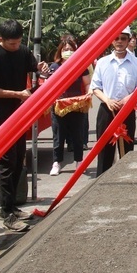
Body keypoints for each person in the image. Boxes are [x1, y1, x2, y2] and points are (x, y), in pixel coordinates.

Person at [0, 19, 48, 232]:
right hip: (2, 119)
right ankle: (6, 213)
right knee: (6, 166)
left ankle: (13, 207)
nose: (16, 46)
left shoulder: (23, 51)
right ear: (0, 39)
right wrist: (16, 94)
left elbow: (35, 68)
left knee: (19, 161)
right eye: (12, 43)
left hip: (20, 116)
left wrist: (41, 67)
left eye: (19, 42)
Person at [91, 26, 137, 175]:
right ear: (111, 41)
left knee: (127, 152)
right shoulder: (102, 62)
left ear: (128, 40)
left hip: (127, 111)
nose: (119, 41)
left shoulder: (136, 63)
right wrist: (107, 100)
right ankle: (102, 182)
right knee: (104, 152)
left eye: (123, 38)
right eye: (116, 38)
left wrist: (128, 99)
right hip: (106, 110)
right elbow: (95, 87)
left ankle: (125, 181)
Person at [48, 35, 91, 176]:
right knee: (58, 135)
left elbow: (87, 83)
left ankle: (79, 161)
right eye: (65, 49)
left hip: (76, 105)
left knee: (77, 135)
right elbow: (49, 86)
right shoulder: (54, 67)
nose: (68, 51)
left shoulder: (81, 66)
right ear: (60, 51)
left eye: (70, 49)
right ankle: (57, 162)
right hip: (59, 105)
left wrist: (88, 94)